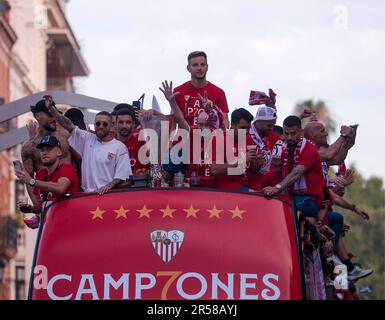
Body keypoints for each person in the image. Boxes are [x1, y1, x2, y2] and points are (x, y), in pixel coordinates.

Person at [46, 104, 132, 194]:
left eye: (105, 124)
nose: (101, 126)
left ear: (111, 126)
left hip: (108, 195)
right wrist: (52, 109)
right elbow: (68, 125)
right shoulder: (87, 138)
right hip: (87, 196)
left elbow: (122, 175)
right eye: (98, 123)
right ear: (94, 125)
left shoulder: (119, 147)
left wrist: (108, 186)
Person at [15, 135, 80, 228]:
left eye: (49, 149)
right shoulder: (41, 174)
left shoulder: (66, 169)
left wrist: (31, 181)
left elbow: (60, 188)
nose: (44, 152)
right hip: (50, 226)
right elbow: (41, 205)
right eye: (42, 150)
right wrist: (31, 209)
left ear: (59, 152)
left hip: (69, 224)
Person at [211, 108, 264, 191]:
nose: (246, 131)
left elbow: (254, 170)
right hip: (229, 186)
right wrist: (242, 160)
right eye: (242, 128)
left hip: (248, 184)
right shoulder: (220, 139)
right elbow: (215, 169)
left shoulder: (249, 139)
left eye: (248, 128)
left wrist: (256, 162)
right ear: (232, 125)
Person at [173, 51, 229, 129]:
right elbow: (173, 120)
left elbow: (225, 123)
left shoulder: (219, 92)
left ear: (207, 67)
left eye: (203, 64)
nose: (199, 68)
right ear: (188, 68)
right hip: (185, 140)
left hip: (210, 139)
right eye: (195, 65)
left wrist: (211, 110)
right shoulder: (178, 91)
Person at [116, 108, 149, 175]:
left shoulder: (141, 139)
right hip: (117, 184)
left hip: (140, 183)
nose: (124, 126)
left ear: (133, 124)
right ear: (115, 124)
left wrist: (143, 123)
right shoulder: (109, 142)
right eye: (121, 122)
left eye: (128, 122)